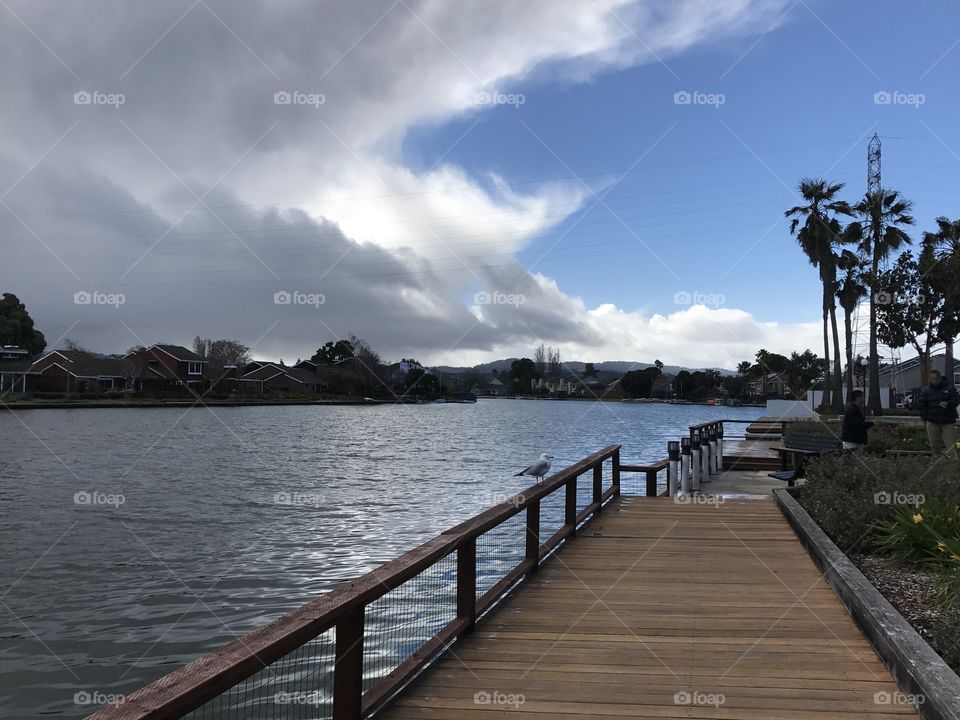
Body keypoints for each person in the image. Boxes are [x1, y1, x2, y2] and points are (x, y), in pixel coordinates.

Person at [918, 369, 960, 458]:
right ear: (930, 379)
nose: (935, 381)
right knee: (935, 445)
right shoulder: (926, 391)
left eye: (936, 379)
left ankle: (954, 465)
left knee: (951, 445)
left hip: (947, 421)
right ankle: (938, 467)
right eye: (932, 379)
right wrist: (925, 418)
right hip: (932, 421)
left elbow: (956, 400)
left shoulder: (950, 388)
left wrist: (948, 404)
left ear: (940, 378)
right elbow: (921, 405)